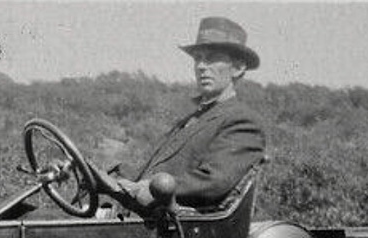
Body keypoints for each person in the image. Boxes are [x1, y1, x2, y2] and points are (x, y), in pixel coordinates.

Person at [98, 16, 266, 212]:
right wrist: (106, 173)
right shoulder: (191, 120)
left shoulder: (242, 121)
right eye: (198, 59)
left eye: (211, 58)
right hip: (145, 220)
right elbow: (152, 170)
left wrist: (148, 188)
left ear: (238, 68)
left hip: (179, 227)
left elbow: (213, 182)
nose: (201, 66)